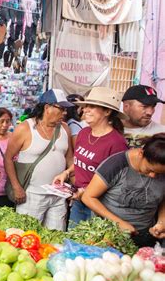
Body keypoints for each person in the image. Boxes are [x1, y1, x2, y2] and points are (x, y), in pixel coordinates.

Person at [54, 87, 129, 228]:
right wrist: (66, 173)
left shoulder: (117, 142)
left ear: (107, 112)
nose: (86, 110)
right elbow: (79, 162)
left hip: (101, 207)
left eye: (92, 107)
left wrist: (86, 192)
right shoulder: (84, 133)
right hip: (79, 202)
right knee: (72, 245)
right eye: (86, 106)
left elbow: (119, 182)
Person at [5, 89, 73, 231]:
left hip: (58, 196)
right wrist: (17, 187)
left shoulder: (65, 129)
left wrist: (71, 184)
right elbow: (8, 158)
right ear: (47, 107)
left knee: (55, 239)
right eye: (61, 109)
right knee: (27, 238)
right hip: (31, 195)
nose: (65, 113)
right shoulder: (25, 128)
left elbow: (70, 159)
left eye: (66, 109)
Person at [82, 133, 165, 247]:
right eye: (149, 169)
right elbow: (88, 197)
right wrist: (119, 223)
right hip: (109, 235)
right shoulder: (116, 165)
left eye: (159, 173)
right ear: (141, 153)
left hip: (146, 236)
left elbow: (162, 199)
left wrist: (161, 222)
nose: (153, 175)